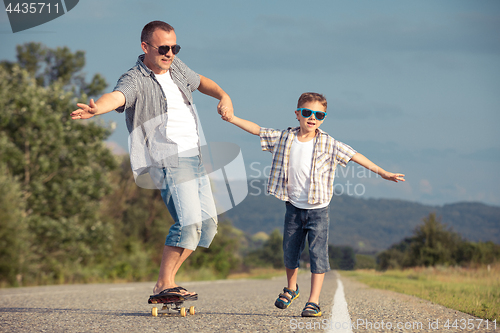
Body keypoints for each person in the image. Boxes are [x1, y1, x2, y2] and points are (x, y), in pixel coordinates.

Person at [71, 21, 234, 300]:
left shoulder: (177, 67)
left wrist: (223, 95)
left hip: (194, 156)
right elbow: (118, 96)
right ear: (145, 47)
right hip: (167, 158)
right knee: (187, 222)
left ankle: (165, 282)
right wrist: (98, 108)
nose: (169, 54)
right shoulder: (135, 78)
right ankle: (165, 283)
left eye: (174, 48)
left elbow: (201, 81)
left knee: (206, 225)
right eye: (163, 48)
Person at [224, 92, 405, 317]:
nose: (312, 118)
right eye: (307, 112)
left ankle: (314, 301)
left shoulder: (329, 143)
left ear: (323, 118)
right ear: (298, 114)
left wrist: (383, 173)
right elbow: (257, 130)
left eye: (319, 115)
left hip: (319, 208)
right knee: (290, 250)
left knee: (317, 253)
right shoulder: (284, 137)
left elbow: (355, 155)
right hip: (293, 206)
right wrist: (232, 118)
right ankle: (291, 288)